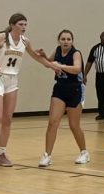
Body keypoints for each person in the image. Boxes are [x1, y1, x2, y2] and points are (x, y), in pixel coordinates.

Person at [0, 14, 58, 167]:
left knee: (7, 119)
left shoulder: (25, 41)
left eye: (25, 24)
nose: (24, 27)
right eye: (21, 24)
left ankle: (2, 152)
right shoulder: (1, 37)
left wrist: (52, 66)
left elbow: (36, 57)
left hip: (13, 80)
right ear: (12, 25)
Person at [38, 30, 90, 167]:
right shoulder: (57, 51)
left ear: (72, 41)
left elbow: (77, 68)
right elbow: (49, 62)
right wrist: (44, 57)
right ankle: (47, 155)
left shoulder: (76, 53)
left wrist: (61, 66)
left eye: (68, 39)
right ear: (59, 40)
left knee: (74, 125)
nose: (66, 41)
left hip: (75, 89)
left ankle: (84, 152)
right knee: (53, 122)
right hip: (60, 88)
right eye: (63, 39)